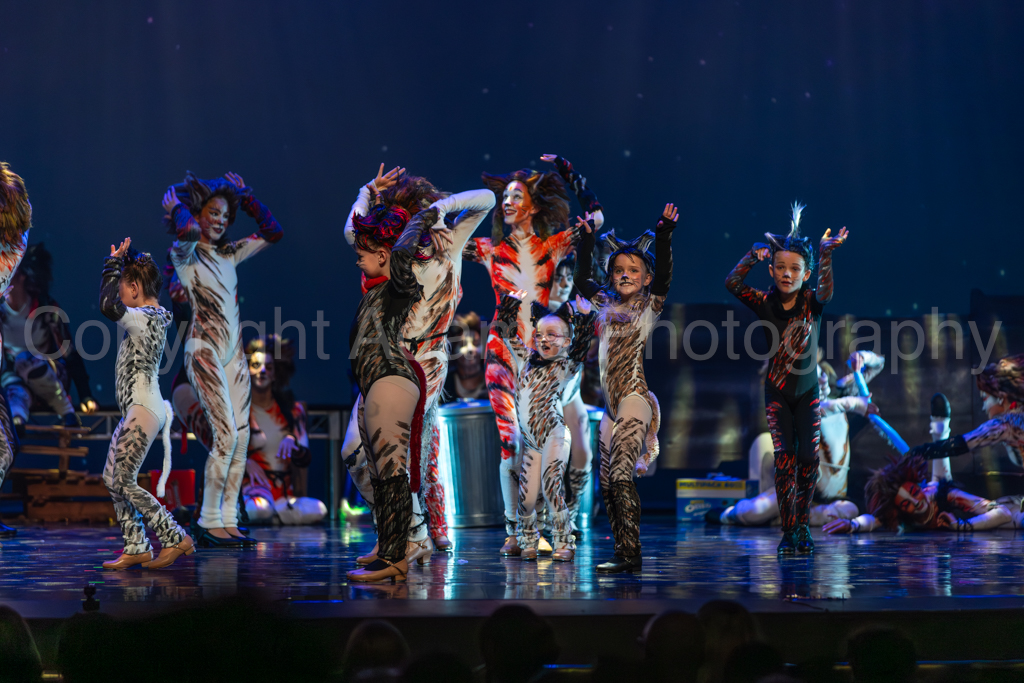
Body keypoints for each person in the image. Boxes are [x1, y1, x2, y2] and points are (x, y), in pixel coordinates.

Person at [344, 167, 494, 555]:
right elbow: (351, 231)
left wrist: (443, 209)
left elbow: (487, 199)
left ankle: (410, 536)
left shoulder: (449, 243)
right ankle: (402, 529)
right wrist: (365, 192)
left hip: (427, 358)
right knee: (353, 452)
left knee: (395, 448)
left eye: (420, 214)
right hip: (387, 356)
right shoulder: (391, 253)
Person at [468, 153, 601, 555]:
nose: (507, 202)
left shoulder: (552, 246)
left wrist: (569, 171)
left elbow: (595, 220)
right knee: (511, 443)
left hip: (539, 360)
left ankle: (543, 528)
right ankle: (514, 530)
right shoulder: (490, 250)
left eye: (516, 196)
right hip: (502, 352)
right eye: (504, 196)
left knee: (541, 447)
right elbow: (443, 244)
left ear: (533, 206)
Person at [163, 171, 283, 547]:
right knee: (226, 435)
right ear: (198, 213)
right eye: (213, 213)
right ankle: (208, 520)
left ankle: (229, 518)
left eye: (225, 216)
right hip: (204, 351)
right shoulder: (184, 253)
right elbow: (186, 232)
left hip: (234, 353)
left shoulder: (229, 253)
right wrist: (177, 209)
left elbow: (273, 232)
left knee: (242, 437)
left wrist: (246, 199)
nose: (220, 221)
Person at [725, 202, 848, 554]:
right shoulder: (765, 302)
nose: (787, 274)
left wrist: (825, 256)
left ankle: (802, 525)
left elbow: (826, 292)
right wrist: (752, 255)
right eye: (780, 267)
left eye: (795, 269)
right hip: (777, 392)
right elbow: (732, 283)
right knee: (784, 460)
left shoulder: (812, 302)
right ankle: (788, 529)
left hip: (807, 393)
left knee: (808, 458)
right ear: (772, 269)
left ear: (806, 274)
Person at [573, 204, 677, 573]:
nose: (625, 275)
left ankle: (632, 554)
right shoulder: (603, 301)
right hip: (610, 407)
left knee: (620, 474)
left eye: (633, 270)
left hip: (634, 398)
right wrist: (587, 240)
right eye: (618, 270)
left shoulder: (649, 305)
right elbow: (581, 278)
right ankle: (622, 550)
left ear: (646, 279)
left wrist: (663, 235)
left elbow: (664, 277)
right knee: (606, 484)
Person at [346, 205, 439, 582]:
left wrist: (424, 217)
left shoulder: (401, 282)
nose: (358, 260)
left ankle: (395, 557)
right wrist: (367, 197)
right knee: (378, 470)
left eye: (363, 254)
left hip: (390, 376)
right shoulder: (378, 288)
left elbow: (400, 252)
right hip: (374, 381)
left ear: (384, 255)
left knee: (391, 468)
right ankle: (388, 546)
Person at [98, 238, 193, 569]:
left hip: (143, 408)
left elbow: (108, 306)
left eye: (122, 288)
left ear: (135, 289)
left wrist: (112, 266)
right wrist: (128, 259)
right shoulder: (151, 316)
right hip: (138, 409)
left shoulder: (145, 317)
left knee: (124, 479)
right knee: (112, 477)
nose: (119, 294)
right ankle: (136, 544)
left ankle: (174, 535)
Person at [708, 350, 885, 527]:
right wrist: (855, 404)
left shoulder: (840, 393)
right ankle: (728, 514)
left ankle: (793, 518)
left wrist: (862, 357)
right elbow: (818, 410)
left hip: (832, 499)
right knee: (754, 512)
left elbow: (877, 364)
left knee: (849, 510)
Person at [495, 289, 596, 561]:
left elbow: (582, 346)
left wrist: (585, 318)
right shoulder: (525, 358)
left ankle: (564, 541)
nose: (544, 339)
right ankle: (528, 539)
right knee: (526, 498)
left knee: (552, 486)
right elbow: (505, 333)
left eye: (552, 335)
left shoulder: (565, 365)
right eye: (539, 334)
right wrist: (509, 304)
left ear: (566, 341)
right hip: (532, 442)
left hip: (554, 434)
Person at [1, 242, 97, 431]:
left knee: (25, 359)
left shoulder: (45, 309)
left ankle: (66, 411)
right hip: (19, 382)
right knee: (12, 383)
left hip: (51, 378)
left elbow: (70, 353)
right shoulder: (1, 312)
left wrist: (85, 395)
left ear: (21, 274)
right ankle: (17, 421)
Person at [242, 335, 327, 526]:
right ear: (247, 370)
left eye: (269, 367)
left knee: (319, 508)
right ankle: (269, 516)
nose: (262, 371)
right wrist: (244, 461)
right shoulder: (239, 411)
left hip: (284, 497)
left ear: (275, 373)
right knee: (259, 509)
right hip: (254, 492)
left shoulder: (291, 411)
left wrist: (293, 443)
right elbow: (223, 451)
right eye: (256, 365)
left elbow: (305, 457)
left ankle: (274, 516)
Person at [547, 254, 596, 530]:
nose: (565, 283)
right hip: (545, 392)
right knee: (550, 457)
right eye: (558, 277)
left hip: (570, 389)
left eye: (568, 277)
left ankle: (572, 512)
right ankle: (547, 518)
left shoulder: (577, 308)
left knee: (584, 453)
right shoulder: (538, 310)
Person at [905, 353, 1024, 467]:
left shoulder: (1006, 424)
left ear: (1001, 397)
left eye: (985, 398)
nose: (984, 407)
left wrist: (918, 452)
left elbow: (960, 444)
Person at [0, 162, 33, 540]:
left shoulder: (15, 245)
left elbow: (23, 219)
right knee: (5, 447)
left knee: (7, 447)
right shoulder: (17, 243)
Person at [444, 311, 486, 401]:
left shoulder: (494, 381)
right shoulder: (443, 384)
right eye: (462, 344)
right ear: (452, 350)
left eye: (476, 344)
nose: (470, 349)